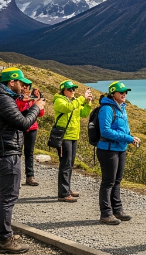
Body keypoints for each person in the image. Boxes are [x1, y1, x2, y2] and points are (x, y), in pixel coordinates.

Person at [0, 67, 44, 253]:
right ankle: (4, 239)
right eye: (21, 82)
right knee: (8, 197)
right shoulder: (3, 100)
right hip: (6, 154)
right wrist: (37, 107)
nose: (22, 86)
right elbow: (24, 123)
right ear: (12, 82)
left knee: (0, 196)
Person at [95, 81, 140, 225]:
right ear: (113, 93)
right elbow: (105, 131)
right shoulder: (107, 109)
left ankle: (117, 210)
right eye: (121, 92)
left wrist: (131, 137)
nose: (124, 94)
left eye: (126, 92)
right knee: (108, 182)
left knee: (117, 181)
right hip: (108, 150)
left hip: (120, 149)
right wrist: (128, 138)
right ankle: (106, 213)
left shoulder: (122, 108)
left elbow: (123, 129)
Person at [52, 80, 92, 203]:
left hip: (74, 136)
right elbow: (67, 108)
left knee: (69, 164)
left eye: (74, 89)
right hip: (64, 137)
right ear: (63, 90)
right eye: (70, 89)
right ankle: (63, 193)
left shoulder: (74, 101)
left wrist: (88, 102)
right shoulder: (59, 100)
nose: (73, 91)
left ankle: (67, 189)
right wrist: (81, 98)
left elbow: (84, 114)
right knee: (65, 164)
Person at [15, 82, 44, 186]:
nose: (25, 88)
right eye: (23, 85)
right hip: (20, 127)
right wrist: (27, 101)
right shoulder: (17, 98)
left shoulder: (32, 99)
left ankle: (30, 176)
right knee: (17, 152)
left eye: (27, 86)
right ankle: (15, 177)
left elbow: (41, 113)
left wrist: (38, 101)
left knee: (29, 153)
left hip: (32, 127)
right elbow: (18, 110)